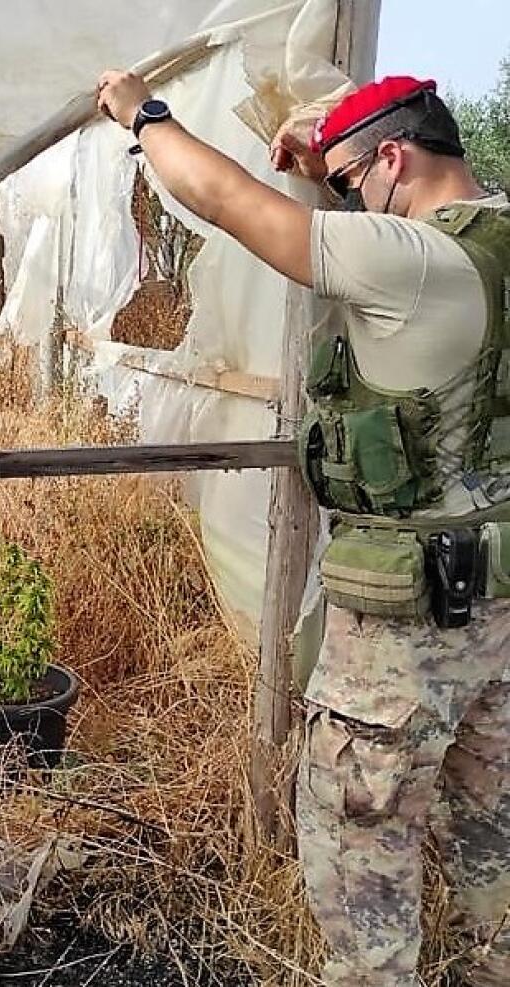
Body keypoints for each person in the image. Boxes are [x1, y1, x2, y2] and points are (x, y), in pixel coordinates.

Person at [95, 70, 510, 986]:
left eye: (353, 182)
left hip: (403, 637)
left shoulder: (413, 259)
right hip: (499, 617)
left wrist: (144, 115)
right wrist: (327, 165)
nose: (349, 201)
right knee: (495, 863)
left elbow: (227, 200)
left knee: (364, 882)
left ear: (395, 157)